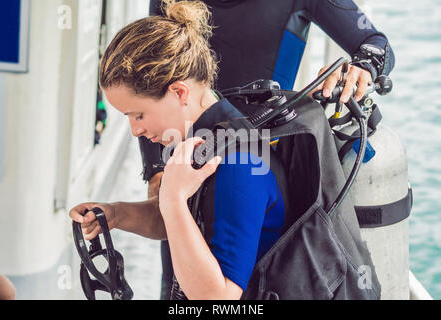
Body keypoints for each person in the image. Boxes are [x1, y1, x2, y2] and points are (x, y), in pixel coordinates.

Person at [144, 0, 395, 299]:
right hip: (189, 170)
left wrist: (360, 67)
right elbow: (148, 85)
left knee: (244, 288)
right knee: (179, 290)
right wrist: (156, 173)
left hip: (253, 173)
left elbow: (375, 43)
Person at [70, 0, 291, 300]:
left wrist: (172, 197)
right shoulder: (198, 139)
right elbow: (177, 222)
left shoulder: (240, 162)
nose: (136, 131)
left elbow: (219, 299)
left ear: (178, 92)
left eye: (139, 115)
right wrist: (115, 215)